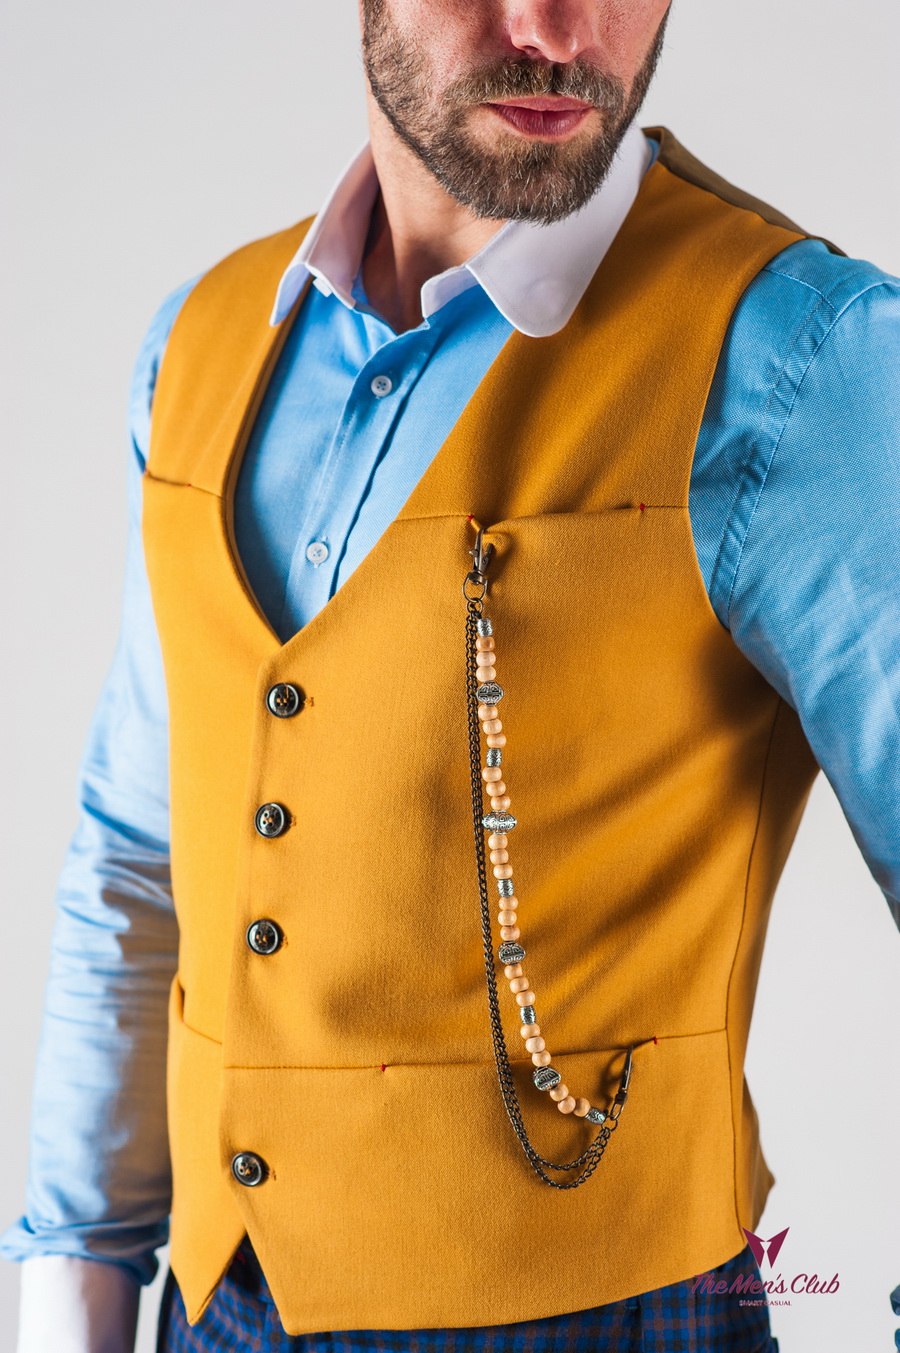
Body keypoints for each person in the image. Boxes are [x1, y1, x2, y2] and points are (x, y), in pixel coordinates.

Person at [2, 1, 898, 1349]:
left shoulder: (795, 354)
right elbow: (138, 855)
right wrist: (71, 1294)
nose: (556, 28)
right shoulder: (200, 342)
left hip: (604, 1317)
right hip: (211, 1303)